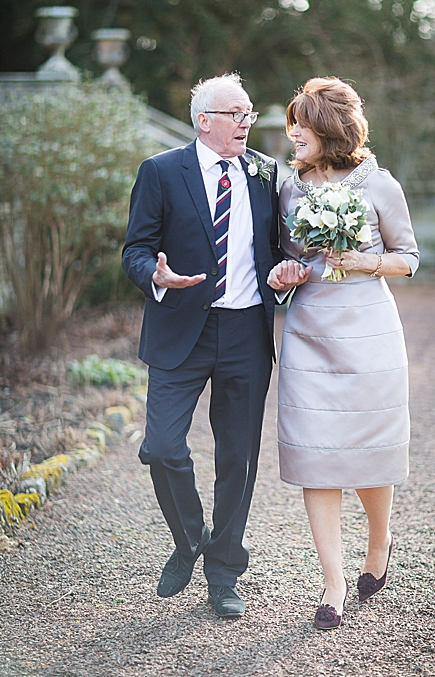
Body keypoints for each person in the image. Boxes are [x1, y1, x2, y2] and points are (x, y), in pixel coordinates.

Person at [122, 73, 308, 618]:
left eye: (249, 114)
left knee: (238, 460)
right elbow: (136, 249)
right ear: (204, 121)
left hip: (247, 332)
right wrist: (157, 276)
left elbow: (272, 248)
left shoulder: (264, 173)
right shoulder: (160, 172)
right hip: (182, 330)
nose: (246, 124)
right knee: (159, 446)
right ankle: (190, 538)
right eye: (236, 114)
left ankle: (224, 572)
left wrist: (282, 272)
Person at [268, 77, 419, 629]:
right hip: (309, 333)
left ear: (328, 130)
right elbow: (291, 261)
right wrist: (286, 273)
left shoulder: (380, 186)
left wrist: (362, 262)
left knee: (370, 451)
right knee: (316, 454)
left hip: (370, 332)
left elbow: (409, 257)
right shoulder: (289, 188)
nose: (291, 133)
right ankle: (332, 583)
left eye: (299, 123)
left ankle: (380, 540)